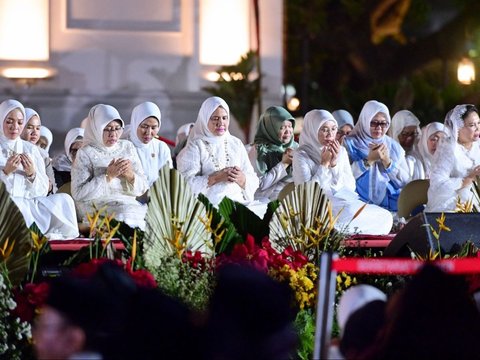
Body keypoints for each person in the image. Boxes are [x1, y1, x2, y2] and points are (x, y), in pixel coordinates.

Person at [293, 109, 392, 234]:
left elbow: (350, 187)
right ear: (313, 129)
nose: (330, 134)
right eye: (324, 129)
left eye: (334, 129)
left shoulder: (341, 151)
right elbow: (308, 193)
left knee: (386, 217)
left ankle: (339, 230)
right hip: (317, 207)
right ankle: (337, 229)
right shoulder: (301, 154)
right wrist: (324, 165)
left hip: (343, 204)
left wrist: (334, 166)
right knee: (348, 212)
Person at [0, 99, 79, 239]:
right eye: (9, 121)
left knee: (64, 200)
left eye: (19, 122)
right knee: (15, 205)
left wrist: (32, 174)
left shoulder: (30, 149)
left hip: (29, 205)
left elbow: (43, 190)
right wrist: (5, 172)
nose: (15, 127)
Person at [71, 104, 149, 230]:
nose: (113, 134)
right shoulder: (85, 152)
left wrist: (130, 176)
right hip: (96, 205)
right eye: (107, 129)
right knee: (123, 215)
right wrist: (108, 176)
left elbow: (143, 187)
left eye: (117, 128)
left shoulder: (127, 147)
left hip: (127, 203)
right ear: (97, 128)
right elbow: (79, 194)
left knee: (152, 217)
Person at [176, 97, 261, 212]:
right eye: (215, 118)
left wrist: (242, 179)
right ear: (205, 119)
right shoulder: (196, 146)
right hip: (208, 207)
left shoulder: (235, 143)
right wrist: (215, 178)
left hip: (239, 204)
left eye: (224, 118)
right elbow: (184, 184)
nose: (221, 123)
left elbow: (253, 178)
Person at [344, 100, 410, 212]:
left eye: (383, 123)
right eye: (374, 123)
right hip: (357, 206)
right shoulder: (349, 144)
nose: (379, 128)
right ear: (365, 121)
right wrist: (368, 161)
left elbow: (405, 182)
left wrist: (388, 162)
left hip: (389, 207)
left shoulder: (394, 147)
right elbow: (343, 178)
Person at [426, 104, 480, 211]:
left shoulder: (478, 145)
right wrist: (468, 179)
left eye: (479, 123)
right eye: (472, 125)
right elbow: (438, 184)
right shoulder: (448, 149)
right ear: (458, 128)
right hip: (454, 202)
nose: (478, 128)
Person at [248, 106, 298, 201]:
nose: (288, 131)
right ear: (270, 128)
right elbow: (259, 185)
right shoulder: (257, 150)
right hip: (267, 203)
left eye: (290, 126)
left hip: (294, 201)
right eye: (282, 127)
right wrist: (284, 164)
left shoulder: (296, 148)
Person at [128, 101, 172, 188]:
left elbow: (168, 178)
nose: (148, 132)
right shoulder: (124, 146)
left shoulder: (161, 147)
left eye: (153, 127)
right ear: (135, 123)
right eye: (144, 126)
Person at [21, 108, 57, 193]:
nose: (35, 132)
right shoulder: (13, 149)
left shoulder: (43, 155)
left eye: (37, 128)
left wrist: (49, 187)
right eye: (29, 127)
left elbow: (53, 187)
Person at [389, 109, 424, 179]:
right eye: (405, 134)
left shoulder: (417, 157)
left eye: (413, 133)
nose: (409, 138)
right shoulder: (388, 156)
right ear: (395, 132)